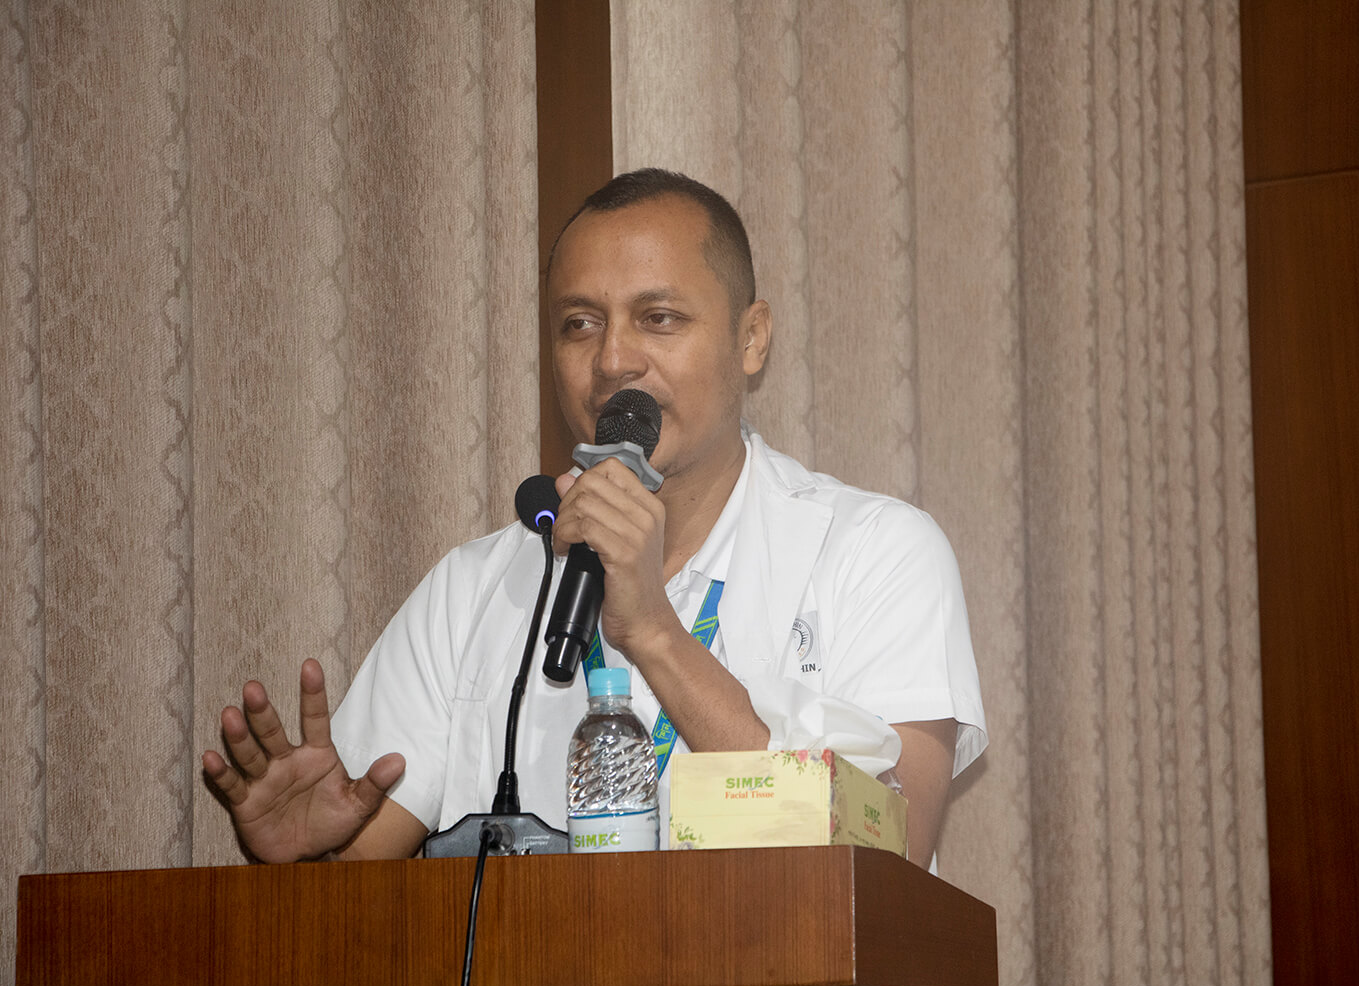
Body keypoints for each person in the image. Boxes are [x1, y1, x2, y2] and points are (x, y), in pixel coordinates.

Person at [203, 169, 986, 869]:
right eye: (580, 323)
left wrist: (653, 632)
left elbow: (890, 862)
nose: (613, 361)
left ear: (751, 339)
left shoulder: (874, 553)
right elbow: (355, 873)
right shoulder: (472, 591)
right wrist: (311, 858)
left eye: (659, 318)